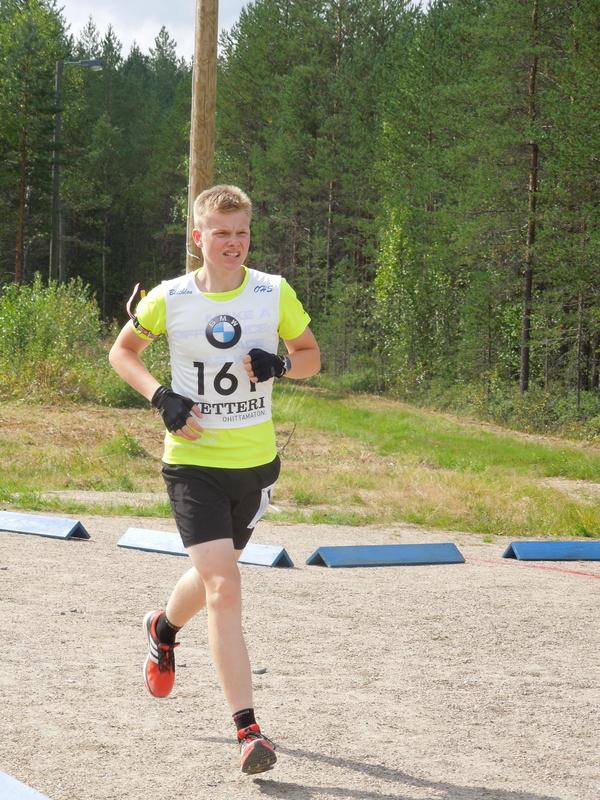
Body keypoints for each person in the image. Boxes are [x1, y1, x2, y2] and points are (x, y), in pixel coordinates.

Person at [108, 184, 320, 775]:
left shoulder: (272, 292)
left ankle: (162, 627)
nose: (233, 242)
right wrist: (162, 397)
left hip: (254, 466)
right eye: (221, 233)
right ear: (198, 237)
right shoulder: (170, 297)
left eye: (241, 232)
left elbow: (310, 354)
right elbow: (122, 352)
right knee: (225, 586)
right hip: (193, 463)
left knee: (211, 580)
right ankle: (248, 731)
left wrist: (283, 364)